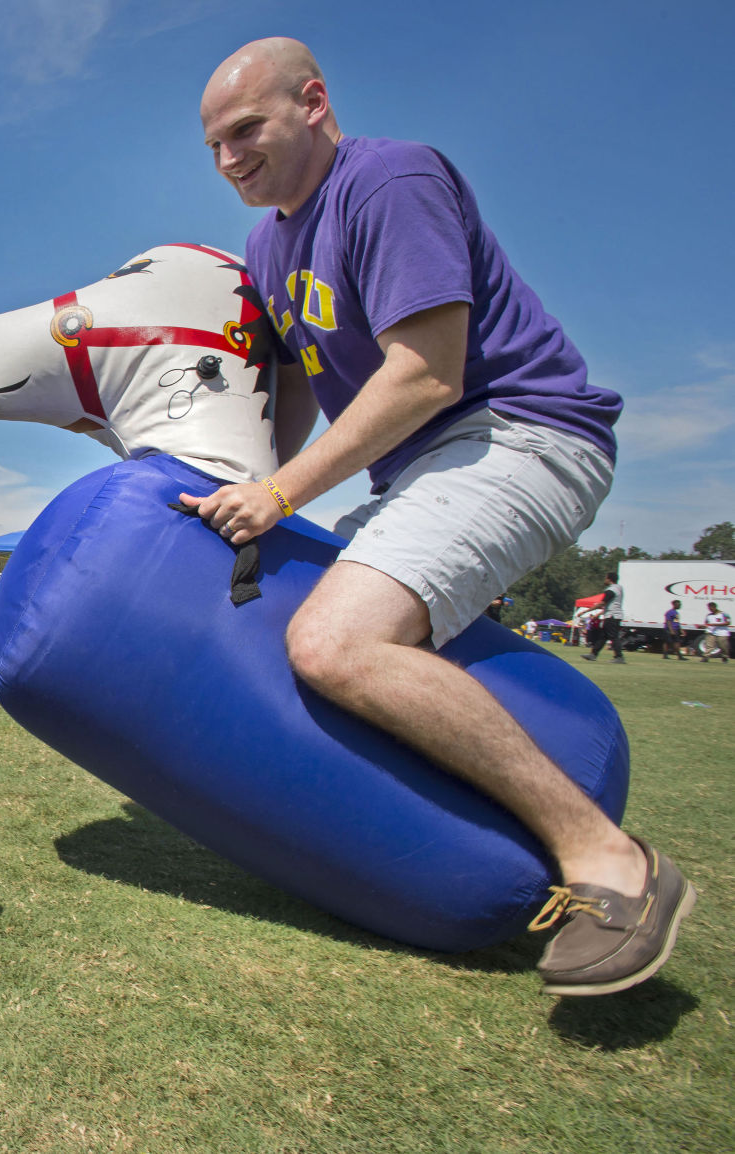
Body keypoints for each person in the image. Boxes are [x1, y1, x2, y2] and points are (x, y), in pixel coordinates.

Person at [189, 39, 694, 996]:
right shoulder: (267, 243)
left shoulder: (388, 179)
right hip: (417, 469)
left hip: (521, 434)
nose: (228, 160)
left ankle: (613, 862)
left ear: (313, 102)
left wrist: (284, 492)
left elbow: (426, 373)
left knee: (336, 643)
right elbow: (293, 388)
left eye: (246, 130)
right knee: (312, 619)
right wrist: (237, 476)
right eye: (213, 145)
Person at [582, 572, 624, 663]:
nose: (605, 580)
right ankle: (593, 654)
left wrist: (586, 611)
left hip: (612, 616)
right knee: (603, 636)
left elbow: (602, 603)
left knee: (613, 636)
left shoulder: (611, 590)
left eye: (606, 578)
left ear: (609, 579)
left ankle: (619, 657)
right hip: (614, 615)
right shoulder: (619, 588)